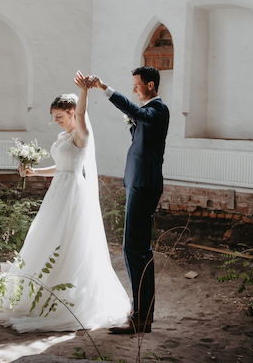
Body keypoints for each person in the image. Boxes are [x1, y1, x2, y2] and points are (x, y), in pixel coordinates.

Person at [0, 71, 130, 332]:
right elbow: (61, 167)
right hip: (58, 191)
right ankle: (40, 293)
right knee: (47, 238)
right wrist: (35, 171)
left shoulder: (81, 134)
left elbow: (81, 117)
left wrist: (84, 92)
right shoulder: (62, 138)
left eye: (60, 116)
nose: (55, 120)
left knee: (68, 241)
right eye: (53, 116)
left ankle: (66, 296)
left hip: (74, 194)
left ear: (72, 114)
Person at [85, 66, 170, 335]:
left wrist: (104, 88)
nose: (134, 89)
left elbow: (137, 113)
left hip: (145, 185)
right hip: (138, 183)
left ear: (151, 86)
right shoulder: (147, 115)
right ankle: (140, 313)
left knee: (136, 250)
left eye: (137, 85)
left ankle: (142, 317)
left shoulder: (158, 110)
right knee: (132, 249)